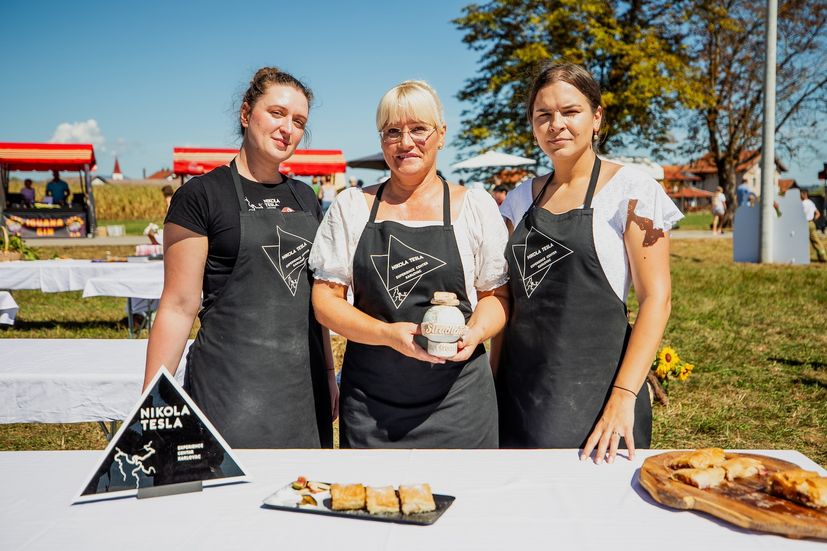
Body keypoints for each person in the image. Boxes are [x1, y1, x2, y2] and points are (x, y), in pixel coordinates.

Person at [496, 62, 682, 463]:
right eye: (543, 115)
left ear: (597, 117)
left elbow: (657, 300)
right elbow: (501, 295)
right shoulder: (518, 199)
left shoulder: (632, 193)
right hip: (518, 390)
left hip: (597, 400)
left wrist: (623, 397)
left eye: (570, 112)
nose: (556, 124)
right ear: (532, 125)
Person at [143, 67, 336, 449]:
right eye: (277, 113)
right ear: (246, 114)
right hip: (230, 389)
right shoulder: (201, 196)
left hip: (303, 386)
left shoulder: (305, 197)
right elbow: (178, 306)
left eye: (299, 121)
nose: (288, 129)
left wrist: (329, 373)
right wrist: (152, 402)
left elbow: (318, 296)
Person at [310, 80, 509, 448]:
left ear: (441, 135)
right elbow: (325, 302)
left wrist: (476, 332)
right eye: (392, 132)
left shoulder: (475, 206)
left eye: (419, 129)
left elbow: (495, 296)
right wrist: (388, 335)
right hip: (372, 405)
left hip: (460, 403)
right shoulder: (351, 206)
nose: (405, 142)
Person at [801, 188, 826, 263]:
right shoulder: (811, 202)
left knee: (802, 242)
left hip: (803, 224)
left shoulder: (802, 204)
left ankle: (802, 257)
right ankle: (823, 257)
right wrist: (812, 220)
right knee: (816, 241)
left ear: (803, 194)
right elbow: (818, 214)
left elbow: (800, 215)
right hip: (811, 224)